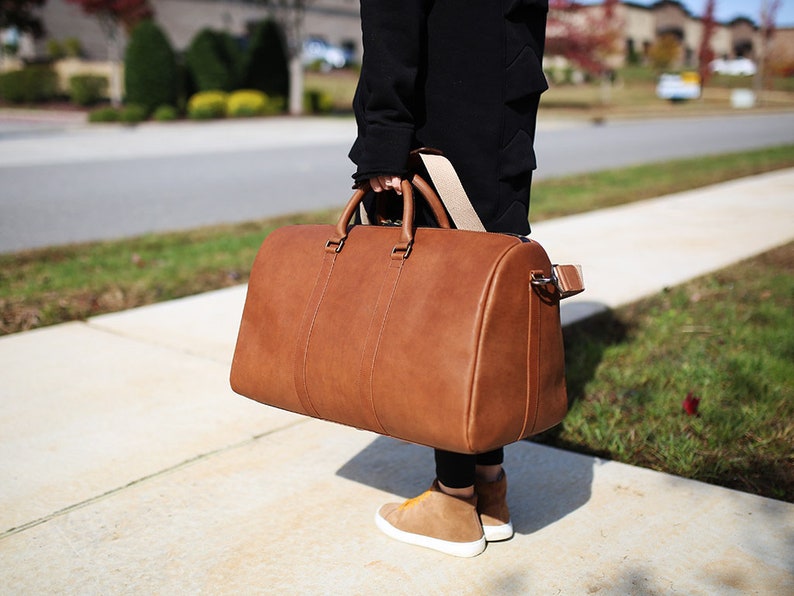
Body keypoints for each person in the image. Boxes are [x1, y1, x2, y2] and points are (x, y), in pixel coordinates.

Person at [349, 0, 549, 558]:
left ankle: (454, 501)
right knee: (484, 319)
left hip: (438, 132)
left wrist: (385, 136)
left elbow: (392, 21)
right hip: (503, 128)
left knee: (438, 318)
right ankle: (489, 488)